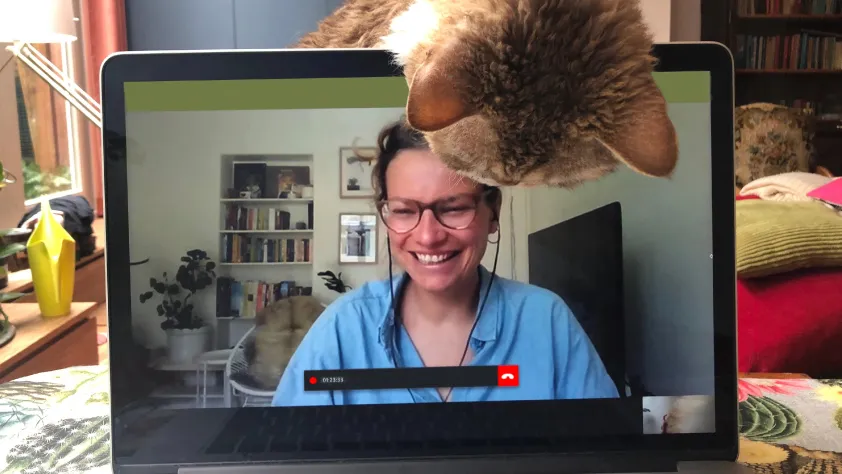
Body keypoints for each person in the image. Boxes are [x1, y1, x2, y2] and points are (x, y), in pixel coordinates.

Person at [271, 119, 618, 406]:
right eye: (405, 211)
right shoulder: (342, 328)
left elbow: (604, 453)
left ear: (493, 211)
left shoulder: (547, 321)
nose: (428, 236)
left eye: (453, 208)